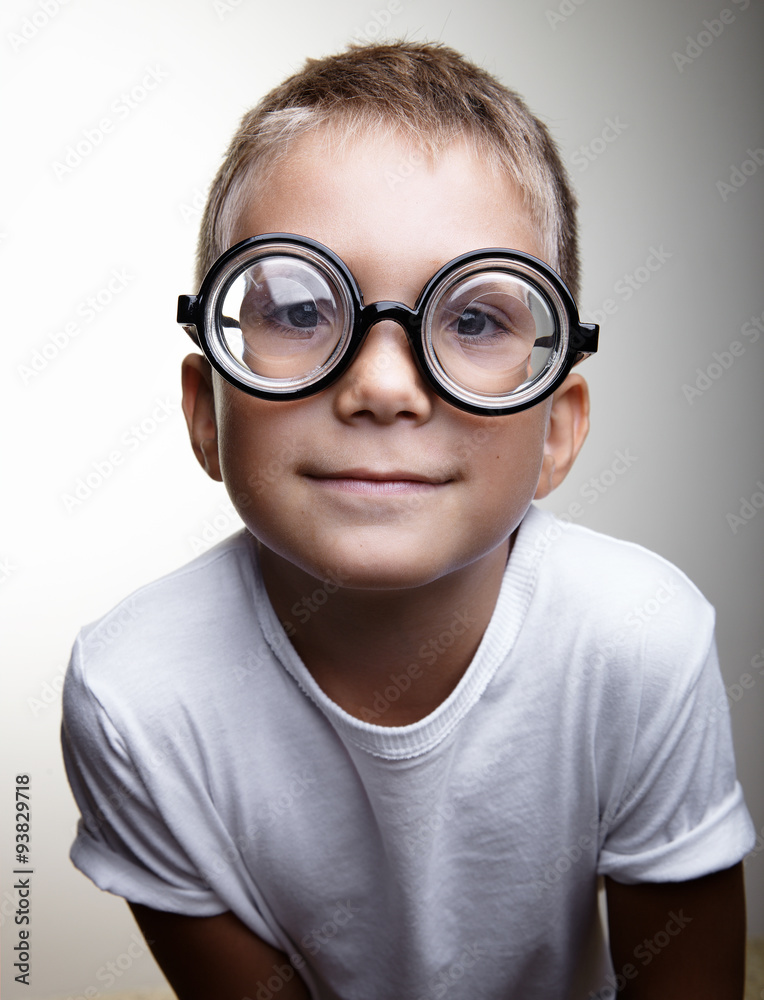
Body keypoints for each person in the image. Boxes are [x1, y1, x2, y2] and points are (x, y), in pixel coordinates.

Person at [62, 41, 754, 999]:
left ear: (556, 428)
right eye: (299, 307)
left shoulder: (638, 639)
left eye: (473, 321)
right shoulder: (133, 694)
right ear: (203, 411)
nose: (383, 385)